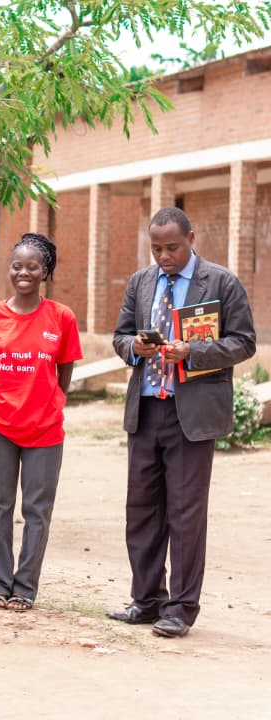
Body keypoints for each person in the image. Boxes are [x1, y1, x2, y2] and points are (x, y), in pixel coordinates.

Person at [107, 207, 256, 638]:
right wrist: (135, 346)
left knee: (186, 514)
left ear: (191, 238)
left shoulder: (221, 282)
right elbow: (120, 335)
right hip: (147, 409)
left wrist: (192, 353)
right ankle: (147, 599)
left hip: (191, 414)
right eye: (156, 248)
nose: (164, 256)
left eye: (172, 247)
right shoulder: (141, 282)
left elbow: (243, 342)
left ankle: (180, 608)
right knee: (142, 510)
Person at [0, 233, 82, 612]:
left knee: (37, 510)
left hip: (45, 429)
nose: (23, 272)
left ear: (45, 271)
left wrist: (44, 401)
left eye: (32, 266)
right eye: (17, 265)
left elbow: (63, 373)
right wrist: (0, 404)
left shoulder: (61, 317)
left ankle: (25, 587)